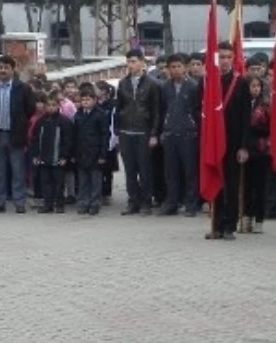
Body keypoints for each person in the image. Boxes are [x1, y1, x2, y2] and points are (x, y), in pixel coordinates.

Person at [206, 41, 251, 241]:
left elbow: (245, 117)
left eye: (227, 57)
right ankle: (215, 225)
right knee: (215, 180)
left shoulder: (240, 82)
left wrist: (244, 146)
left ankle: (229, 225)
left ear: (233, 59)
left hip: (233, 142)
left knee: (231, 185)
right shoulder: (208, 81)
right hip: (213, 141)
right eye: (221, 57)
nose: (224, 61)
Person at [0, 57, 37, 214]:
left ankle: (19, 202)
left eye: (6, 67)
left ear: (13, 69)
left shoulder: (23, 89)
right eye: (0, 67)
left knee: (17, 170)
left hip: (16, 135)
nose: (3, 70)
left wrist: (21, 126)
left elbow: (30, 110)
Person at [116, 49, 162, 216]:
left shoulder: (152, 84)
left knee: (145, 169)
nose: (131, 65)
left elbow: (156, 111)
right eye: (128, 62)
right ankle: (132, 201)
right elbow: (119, 108)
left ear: (143, 62)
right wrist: (118, 131)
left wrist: (154, 133)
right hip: (126, 131)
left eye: (134, 61)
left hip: (144, 132)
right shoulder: (123, 84)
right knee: (129, 170)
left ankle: (146, 202)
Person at [159, 53, 201, 217]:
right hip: (170, 134)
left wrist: (193, 127)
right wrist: (162, 130)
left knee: (190, 171)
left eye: (179, 66)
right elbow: (162, 110)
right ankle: (172, 203)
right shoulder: (165, 87)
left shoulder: (193, 86)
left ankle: (191, 204)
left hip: (188, 134)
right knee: (171, 172)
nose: (176, 70)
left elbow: (197, 110)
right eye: (173, 67)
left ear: (185, 67)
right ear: (168, 69)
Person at [30, 94, 75, 214]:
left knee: (59, 183)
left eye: (53, 105)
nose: (50, 108)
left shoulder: (64, 121)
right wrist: (35, 155)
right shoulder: (40, 122)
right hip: (43, 158)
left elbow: (68, 141)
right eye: (48, 105)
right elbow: (34, 139)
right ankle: (47, 204)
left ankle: (59, 204)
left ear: (59, 106)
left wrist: (65, 156)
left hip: (58, 158)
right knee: (45, 182)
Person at [73, 83, 108, 216]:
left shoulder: (100, 115)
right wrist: (74, 153)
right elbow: (75, 135)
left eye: (88, 99)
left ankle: (95, 203)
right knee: (83, 181)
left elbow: (105, 135)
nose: (85, 102)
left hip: (95, 152)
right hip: (82, 152)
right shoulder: (78, 115)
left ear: (94, 100)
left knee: (95, 180)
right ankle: (83, 202)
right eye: (83, 100)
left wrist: (102, 154)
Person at [243, 75, 271, 233]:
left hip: (261, 151)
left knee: (260, 187)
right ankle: (247, 216)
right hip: (246, 150)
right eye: (252, 86)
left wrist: (253, 127)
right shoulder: (242, 104)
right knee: (246, 185)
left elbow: (269, 128)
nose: (255, 89)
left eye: (258, 86)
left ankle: (260, 219)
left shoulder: (266, 106)